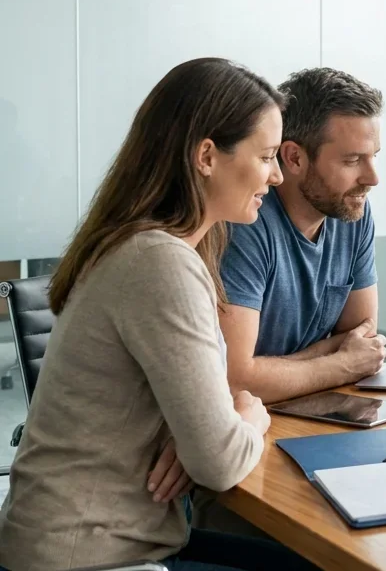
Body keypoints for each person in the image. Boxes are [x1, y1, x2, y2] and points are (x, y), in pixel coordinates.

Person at [0, 58, 317, 571]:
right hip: (86, 557)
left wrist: (203, 432)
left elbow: (199, 436)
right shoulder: (159, 263)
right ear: (207, 156)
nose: (277, 176)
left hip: (107, 539)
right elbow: (218, 461)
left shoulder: (149, 248)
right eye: (265, 157)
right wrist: (247, 416)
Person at [218, 68, 386, 405]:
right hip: (247, 423)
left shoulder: (352, 211)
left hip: (307, 408)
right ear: (294, 157)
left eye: (374, 157)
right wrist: (339, 363)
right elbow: (234, 380)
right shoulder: (245, 224)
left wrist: (272, 372)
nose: (372, 178)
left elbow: (362, 342)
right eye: (353, 160)